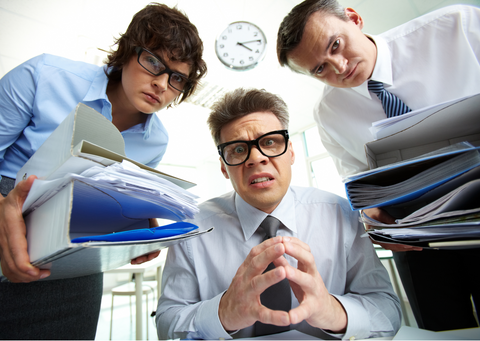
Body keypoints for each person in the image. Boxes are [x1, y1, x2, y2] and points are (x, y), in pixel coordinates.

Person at [0, 3, 207, 339]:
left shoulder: (156, 142)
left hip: (72, 263)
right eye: (154, 62)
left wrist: (135, 222)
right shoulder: (43, 76)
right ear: (126, 51)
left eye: (177, 78)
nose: (162, 84)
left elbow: (109, 194)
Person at [276, 0, 480, 331]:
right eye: (320, 69)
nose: (338, 68)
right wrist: (372, 216)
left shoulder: (457, 27)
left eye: (336, 46)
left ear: (354, 19)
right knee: (442, 329)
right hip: (414, 239)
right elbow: (358, 182)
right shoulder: (329, 114)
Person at [155, 88, 401, 340]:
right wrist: (223, 313)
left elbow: (388, 310)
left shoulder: (341, 215)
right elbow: (166, 322)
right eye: (238, 150)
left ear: (291, 152)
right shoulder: (192, 229)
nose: (256, 158)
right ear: (223, 167)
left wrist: (332, 311)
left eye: (270, 142)